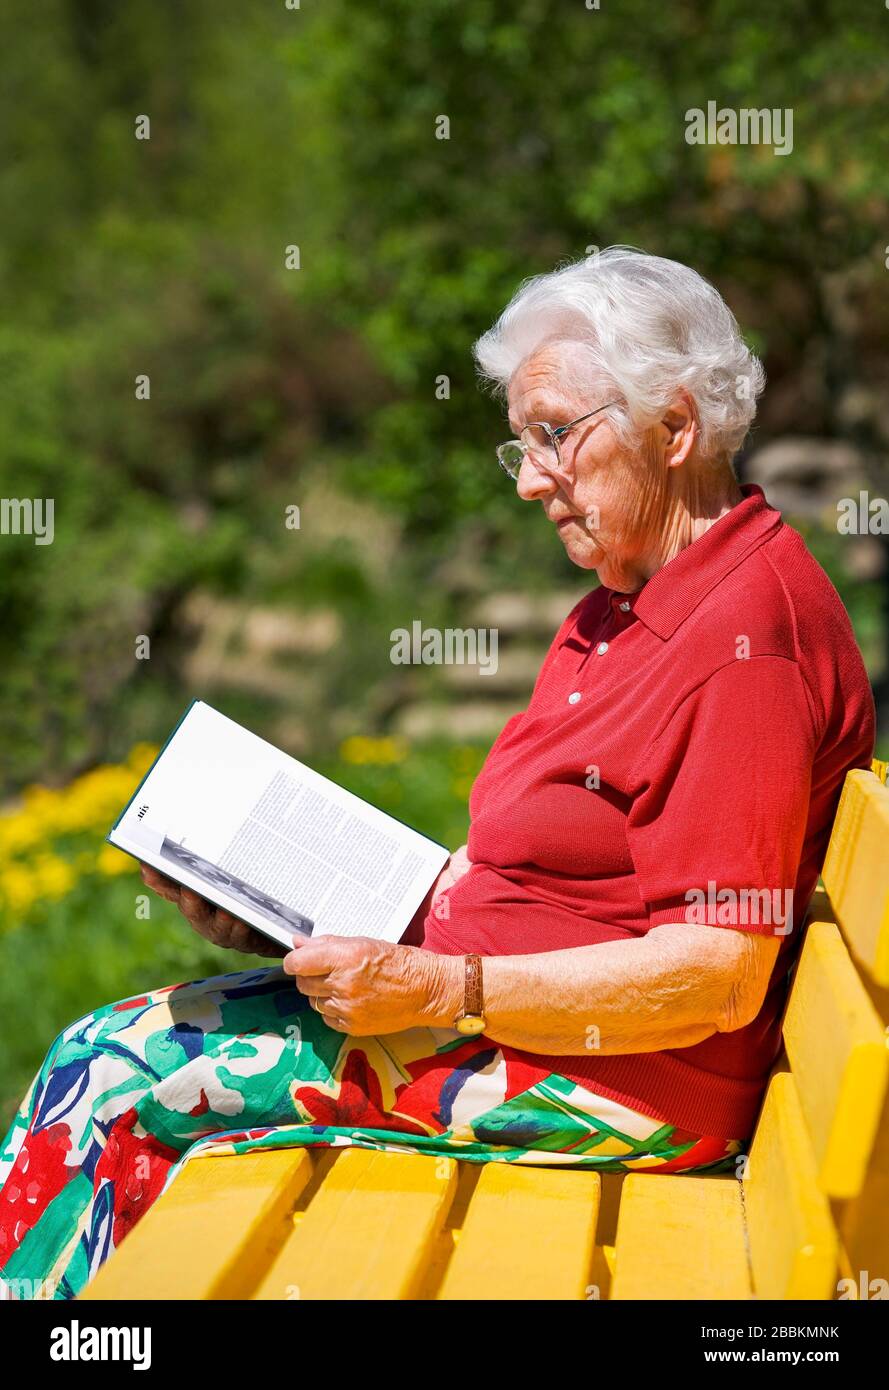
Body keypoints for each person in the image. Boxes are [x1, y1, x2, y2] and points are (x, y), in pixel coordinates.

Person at [0, 247, 874, 1300]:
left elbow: (715, 973)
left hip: (614, 1082)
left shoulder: (742, 640)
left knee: (110, 1074)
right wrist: (279, 911)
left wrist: (448, 987)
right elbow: (556, 869)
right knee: (120, 1047)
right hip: (502, 1022)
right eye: (521, 448)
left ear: (674, 428)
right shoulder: (624, 597)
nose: (533, 480)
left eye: (555, 437)